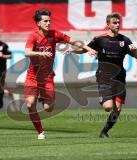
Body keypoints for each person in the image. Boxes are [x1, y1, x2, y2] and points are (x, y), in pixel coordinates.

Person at [24, 9, 96, 140]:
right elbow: (27, 52)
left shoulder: (54, 34)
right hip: (32, 77)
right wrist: (40, 53)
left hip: (47, 78)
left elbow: (73, 41)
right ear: (38, 23)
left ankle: (44, 98)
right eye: (45, 21)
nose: (48, 23)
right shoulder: (33, 36)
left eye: (49, 21)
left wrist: (89, 48)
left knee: (48, 109)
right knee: (30, 104)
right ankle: (40, 131)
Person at [73, 13, 137, 138]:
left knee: (118, 109)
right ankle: (103, 99)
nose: (117, 24)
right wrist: (72, 50)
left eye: (118, 22)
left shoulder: (125, 40)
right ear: (108, 25)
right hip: (104, 76)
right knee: (108, 107)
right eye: (114, 23)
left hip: (119, 78)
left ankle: (104, 131)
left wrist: (135, 51)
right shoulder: (100, 39)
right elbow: (85, 49)